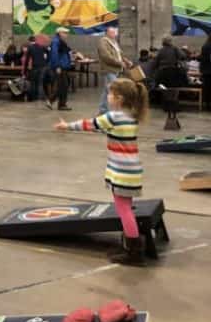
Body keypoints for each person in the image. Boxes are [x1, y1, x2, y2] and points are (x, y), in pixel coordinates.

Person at [55, 78, 149, 266]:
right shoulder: (129, 116)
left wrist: (67, 126)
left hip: (122, 172)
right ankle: (130, 245)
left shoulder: (113, 117)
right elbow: (104, 129)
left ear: (119, 99)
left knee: (124, 210)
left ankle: (134, 252)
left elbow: (90, 124)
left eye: (110, 94)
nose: (107, 97)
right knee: (126, 207)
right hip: (130, 170)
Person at [97, 25, 133, 113]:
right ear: (107, 33)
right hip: (109, 69)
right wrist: (120, 63)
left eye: (115, 32)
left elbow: (120, 54)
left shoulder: (113, 42)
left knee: (107, 89)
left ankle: (103, 109)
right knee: (113, 89)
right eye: (112, 32)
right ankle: (110, 109)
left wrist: (126, 61)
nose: (114, 34)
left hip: (115, 69)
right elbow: (106, 56)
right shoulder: (103, 42)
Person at [48, 26, 73, 111]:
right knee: (63, 85)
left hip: (63, 66)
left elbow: (66, 52)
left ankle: (56, 102)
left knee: (63, 85)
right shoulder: (56, 42)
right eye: (65, 33)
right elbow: (54, 55)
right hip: (60, 67)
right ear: (60, 33)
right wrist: (57, 66)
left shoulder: (61, 42)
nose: (66, 35)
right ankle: (57, 103)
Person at [23, 34, 48, 103]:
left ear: (29, 41)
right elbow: (48, 52)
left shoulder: (30, 48)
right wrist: (46, 61)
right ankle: (40, 97)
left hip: (35, 66)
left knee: (33, 82)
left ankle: (33, 97)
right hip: (43, 66)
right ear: (35, 40)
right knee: (40, 82)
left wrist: (25, 71)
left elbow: (27, 60)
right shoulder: (41, 46)